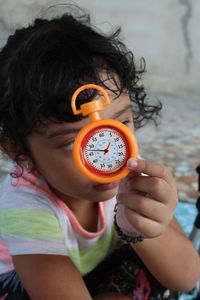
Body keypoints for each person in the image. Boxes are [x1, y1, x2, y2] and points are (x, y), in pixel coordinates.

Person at [0, 5, 199, 300]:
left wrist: (141, 230)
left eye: (119, 125)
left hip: (98, 268)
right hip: (31, 282)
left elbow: (186, 277)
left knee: (149, 268)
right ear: (18, 151)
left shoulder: (132, 174)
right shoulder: (26, 210)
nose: (105, 160)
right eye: (71, 143)